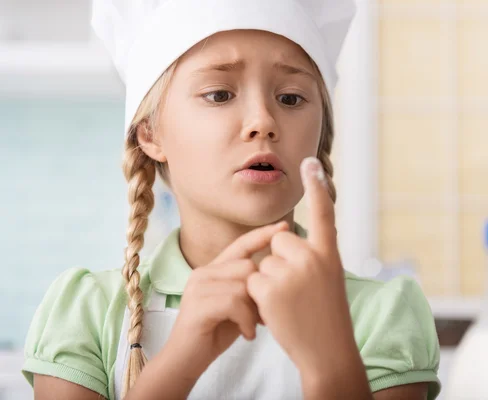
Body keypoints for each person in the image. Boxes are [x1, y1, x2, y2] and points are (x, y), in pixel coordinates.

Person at [21, 1, 441, 399]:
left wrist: (328, 360)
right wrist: (180, 360)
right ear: (150, 133)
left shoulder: (384, 313)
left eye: (291, 98)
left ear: (320, 135)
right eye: (220, 94)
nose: (263, 121)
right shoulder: (87, 310)